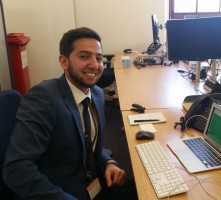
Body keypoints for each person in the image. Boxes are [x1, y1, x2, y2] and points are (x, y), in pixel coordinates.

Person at [3, 27, 137, 200]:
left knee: (145, 192)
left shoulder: (96, 94)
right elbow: (16, 170)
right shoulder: (43, 98)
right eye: (84, 56)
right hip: (58, 193)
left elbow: (88, 146)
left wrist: (108, 162)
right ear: (64, 62)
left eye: (98, 58)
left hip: (94, 184)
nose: (94, 65)